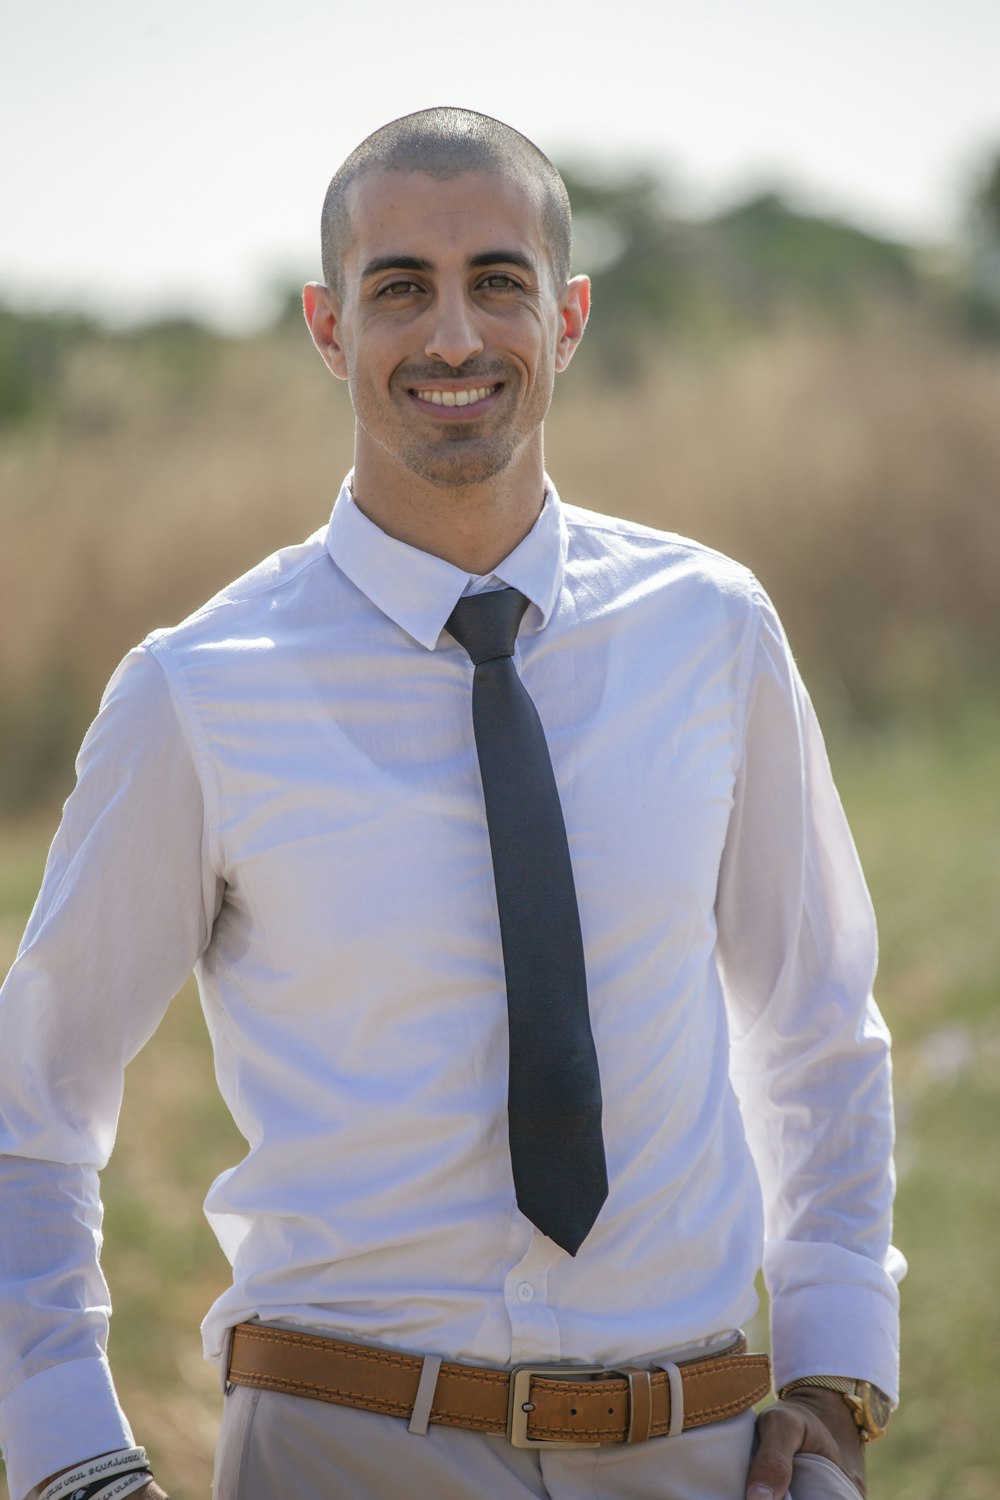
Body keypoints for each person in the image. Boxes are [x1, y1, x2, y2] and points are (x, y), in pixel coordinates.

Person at [0, 108, 903, 1500]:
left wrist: (837, 1377)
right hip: (340, 1450)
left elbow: (817, 1024)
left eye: (498, 280)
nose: (455, 337)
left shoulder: (713, 631)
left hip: (700, 1455)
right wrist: (68, 1452)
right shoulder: (199, 691)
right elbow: (34, 1095)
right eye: (399, 288)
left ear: (570, 316)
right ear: (326, 324)